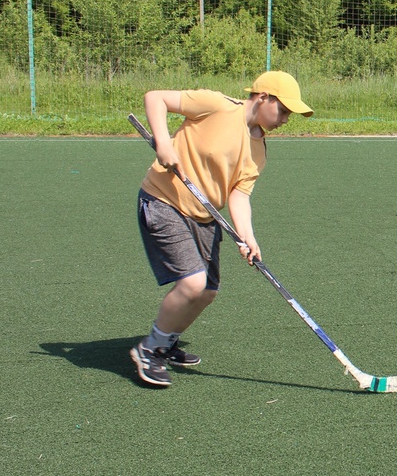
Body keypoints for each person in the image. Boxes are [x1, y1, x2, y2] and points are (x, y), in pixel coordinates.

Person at [130, 71, 313, 387]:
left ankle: (168, 339)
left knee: (208, 292)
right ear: (263, 97)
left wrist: (247, 237)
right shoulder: (215, 105)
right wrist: (163, 142)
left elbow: (238, 195)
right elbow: (154, 97)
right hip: (164, 200)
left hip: (204, 215)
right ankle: (149, 350)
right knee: (192, 283)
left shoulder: (260, 151)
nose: (285, 119)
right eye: (283, 110)